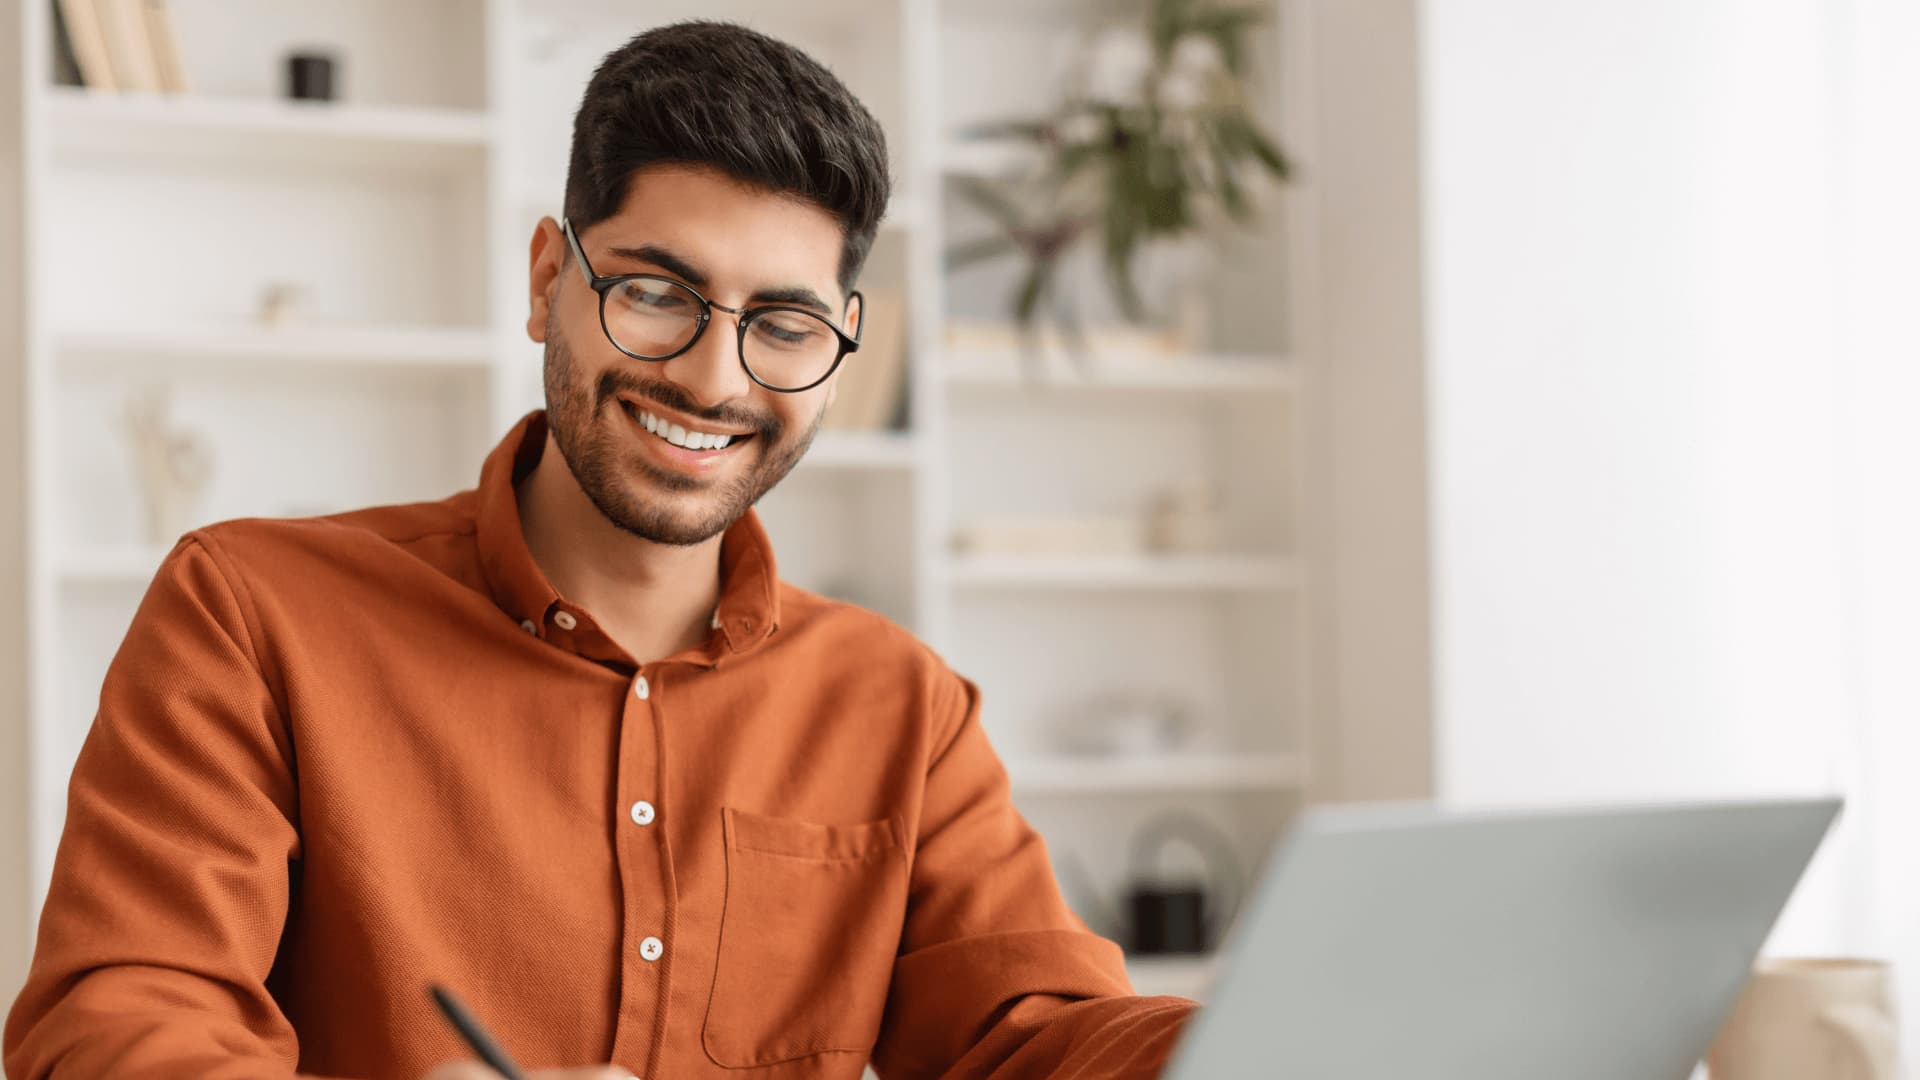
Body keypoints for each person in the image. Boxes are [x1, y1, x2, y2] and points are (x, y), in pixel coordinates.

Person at [3, 21, 1198, 1080]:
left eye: (781, 325)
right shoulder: (252, 615)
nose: (713, 378)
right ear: (546, 281)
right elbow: (115, 1026)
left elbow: (1037, 1039)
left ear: (840, 344)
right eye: (655, 292)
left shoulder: (902, 707)